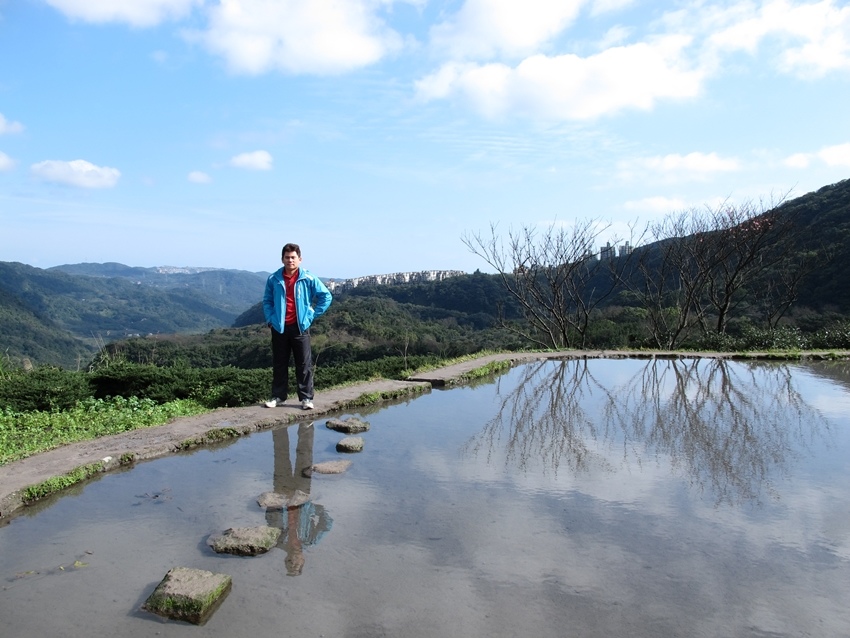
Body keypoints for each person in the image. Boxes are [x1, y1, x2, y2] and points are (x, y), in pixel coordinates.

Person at [262, 243, 332, 409]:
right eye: (287, 257)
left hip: (300, 327)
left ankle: (306, 398)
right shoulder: (274, 278)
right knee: (280, 363)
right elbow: (267, 301)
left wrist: (312, 315)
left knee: (304, 364)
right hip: (279, 327)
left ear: (300, 259)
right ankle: (278, 397)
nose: (290, 260)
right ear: (282, 259)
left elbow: (326, 296)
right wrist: (270, 319)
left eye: (293, 257)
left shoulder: (308, 278)